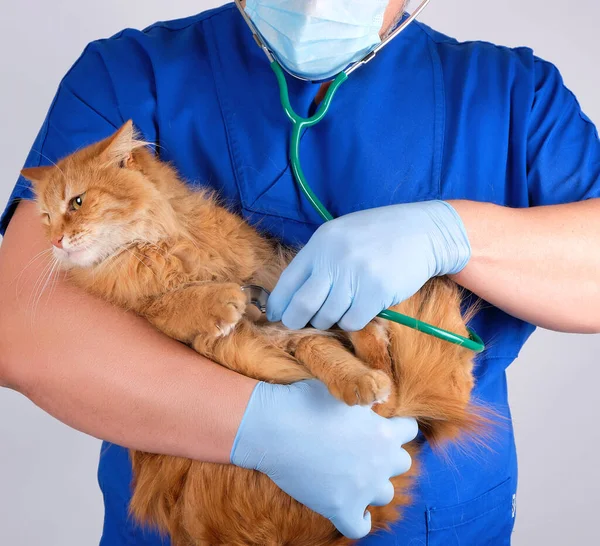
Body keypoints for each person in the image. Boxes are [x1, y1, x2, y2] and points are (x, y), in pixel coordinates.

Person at [0, 0, 598, 544]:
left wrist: (454, 234)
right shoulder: (131, 73)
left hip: (431, 518)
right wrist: (255, 428)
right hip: (194, 516)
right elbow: (22, 326)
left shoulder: (514, 95)